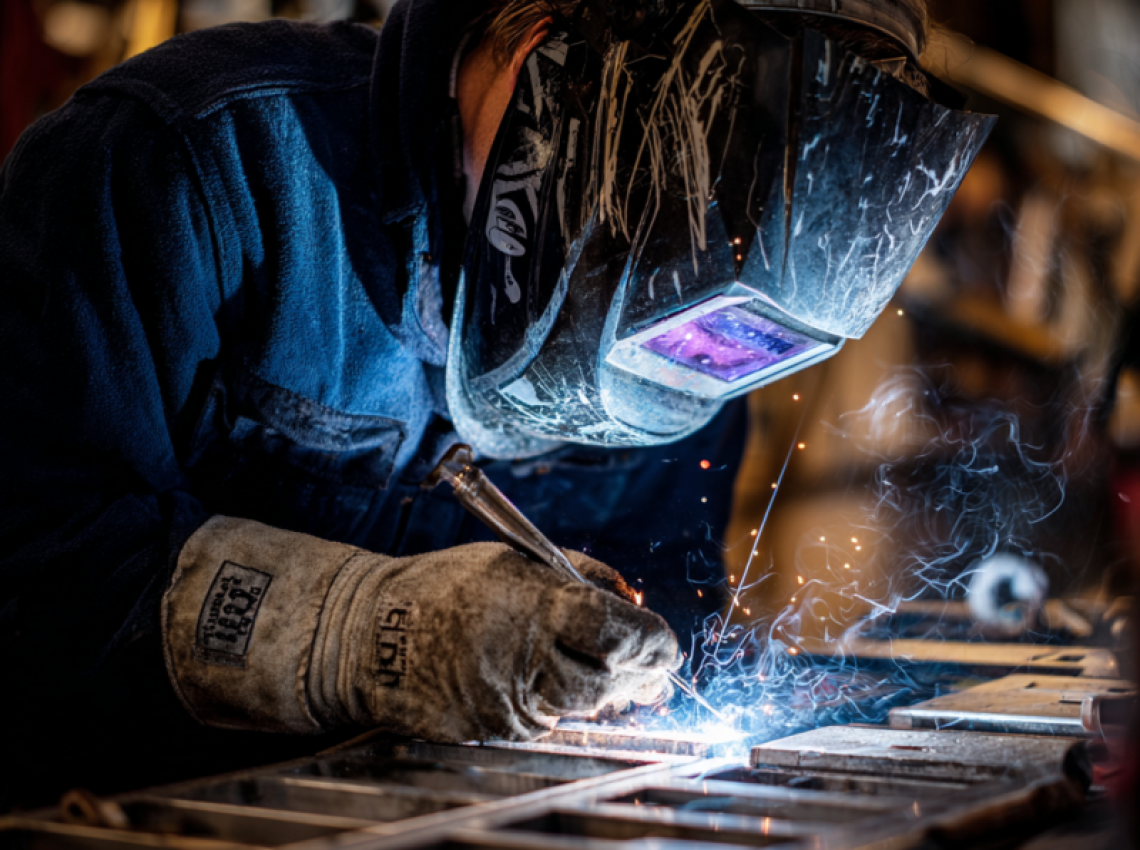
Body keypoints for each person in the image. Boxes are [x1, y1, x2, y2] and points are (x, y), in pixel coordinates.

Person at [0, 0, 989, 807]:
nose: (667, 310)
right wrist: (367, 628)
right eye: (644, 247)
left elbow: (664, 619)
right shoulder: (195, 163)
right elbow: (30, 562)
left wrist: (625, 682)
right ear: (530, 49)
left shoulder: (693, 348)